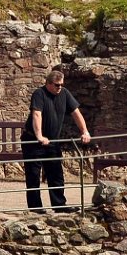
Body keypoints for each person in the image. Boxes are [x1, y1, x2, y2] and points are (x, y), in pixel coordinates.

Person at [20, 69, 92, 212]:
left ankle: (59, 204)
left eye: (61, 85)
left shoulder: (64, 93)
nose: (60, 87)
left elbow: (76, 113)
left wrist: (84, 131)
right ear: (48, 83)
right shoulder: (39, 94)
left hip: (53, 141)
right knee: (33, 174)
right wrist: (39, 136)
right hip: (33, 141)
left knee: (56, 173)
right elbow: (36, 114)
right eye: (57, 85)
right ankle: (35, 207)